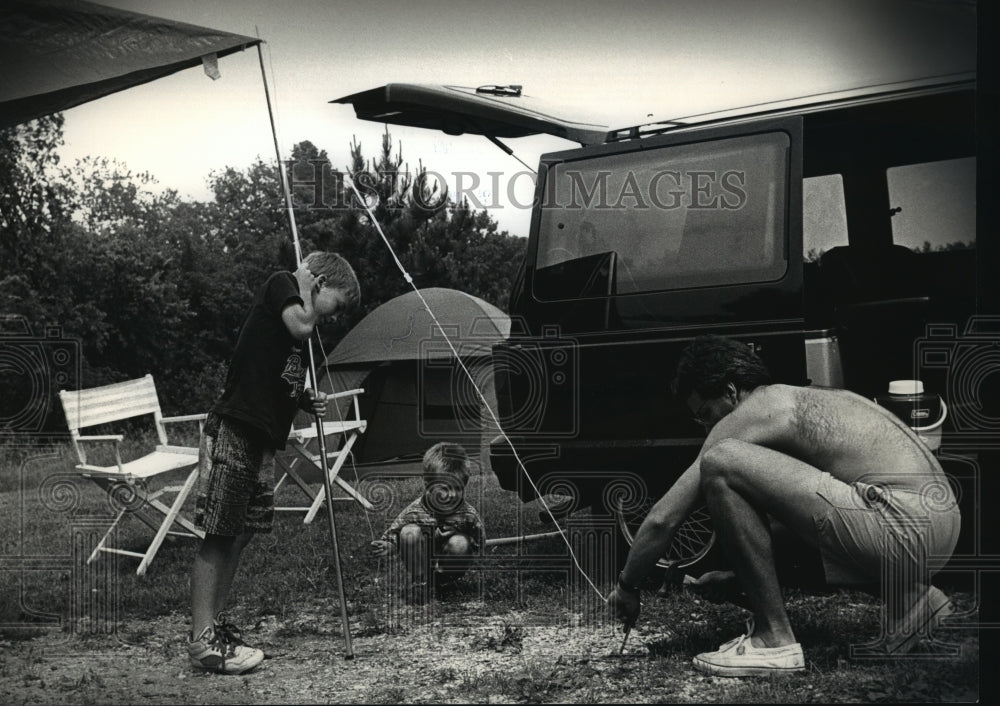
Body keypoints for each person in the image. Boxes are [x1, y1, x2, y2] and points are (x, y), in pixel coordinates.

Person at [608, 335, 960, 677]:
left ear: (730, 392)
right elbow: (807, 527)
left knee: (719, 462)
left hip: (902, 525)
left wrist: (627, 585)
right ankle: (915, 601)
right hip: (937, 522)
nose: (706, 426)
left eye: (705, 413)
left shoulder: (756, 409)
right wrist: (737, 578)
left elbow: (663, 519)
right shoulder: (802, 400)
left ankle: (773, 640)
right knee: (773, 506)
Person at [187, 251, 360, 674]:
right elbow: (301, 325)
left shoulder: (297, 323)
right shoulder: (283, 284)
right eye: (336, 305)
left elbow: (275, 369)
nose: (333, 318)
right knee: (219, 532)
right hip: (236, 429)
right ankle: (201, 641)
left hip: (261, 439)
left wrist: (303, 397)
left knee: (242, 533)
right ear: (318, 283)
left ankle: (215, 624)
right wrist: (303, 285)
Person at [369, 442, 485, 602]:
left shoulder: (468, 514)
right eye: (444, 488)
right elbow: (394, 533)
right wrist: (389, 545)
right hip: (421, 556)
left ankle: (440, 581)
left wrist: (469, 543)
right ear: (427, 486)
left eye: (458, 488)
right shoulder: (414, 511)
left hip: (449, 558)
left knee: (460, 543)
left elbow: (479, 540)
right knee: (409, 532)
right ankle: (421, 583)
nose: (452, 495)